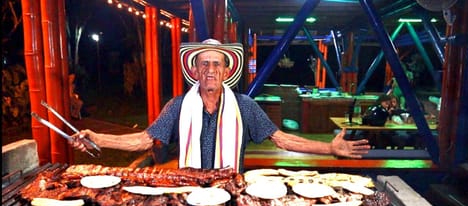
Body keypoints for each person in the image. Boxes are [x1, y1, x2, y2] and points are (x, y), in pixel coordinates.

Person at [70, 39, 371, 172]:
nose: (210, 69)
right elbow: (143, 140)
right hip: (186, 193)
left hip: (230, 191)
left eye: (217, 64)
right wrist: (96, 138)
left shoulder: (245, 105)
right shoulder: (177, 106)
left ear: (227, 71)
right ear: (196, 71)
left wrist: (330, 149)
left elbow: (283, 139)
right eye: (204, 64)